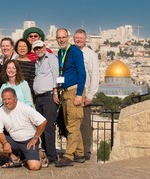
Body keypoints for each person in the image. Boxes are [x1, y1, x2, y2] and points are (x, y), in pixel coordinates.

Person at [0, 88, 47, 170]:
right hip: (13, 140)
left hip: (29, 141)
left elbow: (43, 121)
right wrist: (5, 143)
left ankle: (40, 154)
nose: (6, 102)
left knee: (34, 167)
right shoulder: (0, 111)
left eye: (9, 99)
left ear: (15, 98)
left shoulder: (25, 108)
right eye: (4, 99)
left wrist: (35, 138)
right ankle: (15, 159)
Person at [55, 28, 86, 167]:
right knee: (71, 124)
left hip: (74, 91)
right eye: (58, 38)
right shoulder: (60, 52)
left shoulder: (75, 51)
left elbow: (82, 73)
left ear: (68, 37)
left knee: (72, 125)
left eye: (63, 37)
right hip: (65, 92)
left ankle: (69, 155)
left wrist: (79, 94)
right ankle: (79, 153)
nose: (61, 39)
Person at [73, 29, 100, 160]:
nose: (78, 40)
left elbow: (95, 75)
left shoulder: (90, 54)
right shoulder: (72, 52)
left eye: (81, 38)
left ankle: (85, 152)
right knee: (74, 124)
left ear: (85, 39)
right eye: (76, 37)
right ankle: (76, 151)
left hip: (84, 93)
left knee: (84, 125)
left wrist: (90, 95)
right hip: (73, 93)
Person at [32, 40, 59, 164]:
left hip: (49, 96)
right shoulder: (37, 61)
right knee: (41, 126)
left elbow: (56, 75)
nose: (38, 50)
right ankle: (46, 152)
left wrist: (55, 92)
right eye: (36, 48)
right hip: (39, 98)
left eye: (40, 47)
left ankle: (52, 156)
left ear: (44, 47)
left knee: (48, 127)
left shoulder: (51, 58)